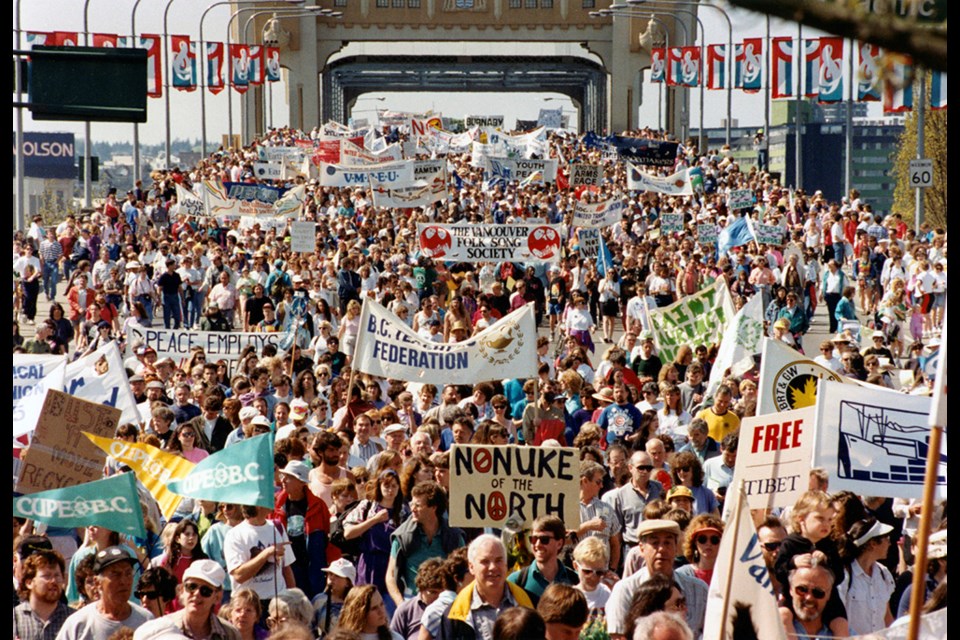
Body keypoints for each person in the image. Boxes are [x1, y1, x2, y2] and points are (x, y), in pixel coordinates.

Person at [605, 520, 707, 640]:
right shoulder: (625, 590)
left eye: (667, 543)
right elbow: (619, 637)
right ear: (642, 549)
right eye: (655, 543)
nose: (662, 549)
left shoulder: (699, 590)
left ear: (676, 548)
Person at [438, 535, 534, 640]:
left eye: (498, 560)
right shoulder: (454, 615)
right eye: (485, 561)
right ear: (471, 567)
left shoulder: (528, 604)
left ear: (506, 565)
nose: (493, 567)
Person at [386, 481, 465, 608]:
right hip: (412, 601)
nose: (412, 509)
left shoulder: (454, 537)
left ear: (433, 507)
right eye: (412, 504)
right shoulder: (403, 536)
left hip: (446, 604)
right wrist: (401, 605)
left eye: (418, 505)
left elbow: (465, 574)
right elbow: (390, 575)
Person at [55, 546, 154, 640]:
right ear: (97, 582)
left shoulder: (146, 620)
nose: (124, 581)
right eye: (115, 574)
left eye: (128, 573)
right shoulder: (78, 623)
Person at [133, 560, 240, 640]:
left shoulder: (230, 634)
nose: (197, 594)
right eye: (191, 587)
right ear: (181, 590)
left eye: (205, 590)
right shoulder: (162, 629)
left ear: (217, 597)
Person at [273, 460, 332, 600]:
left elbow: (325, 536)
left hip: (312, 570)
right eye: (283, 476)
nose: (283, 480)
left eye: (289, 477)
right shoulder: (275, 504)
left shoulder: (318, 506)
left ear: (301, 482)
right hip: (286, 569)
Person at [223, 505, 296, 608]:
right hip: (248, 606)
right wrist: (267, 553)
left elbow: (286, 567)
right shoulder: (234, 535)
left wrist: (294, 599)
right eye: (268, 497)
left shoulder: (277, 527)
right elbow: (239, 576)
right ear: (258, 506)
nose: (273, 501)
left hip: (277, 603)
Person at [837, 518, 895, 635]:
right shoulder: (845, 575)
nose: (890, 543)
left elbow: (887, 615)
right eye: (886, 539)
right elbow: (838, 620)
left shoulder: (884, 573)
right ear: (873, 544)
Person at [602, 450, 664, 557]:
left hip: (657, 546)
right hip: (633, 548)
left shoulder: (659, 489)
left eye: (649, 468)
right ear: (631, 468)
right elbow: (618, 532)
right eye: (641, 468)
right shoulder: (620, 495)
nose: (645, 471)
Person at [507, 515, 579, 604]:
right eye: (533, 539)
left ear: (559, 544)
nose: (537, 544)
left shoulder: (576, 580)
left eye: (544, 539)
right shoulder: (515, 581)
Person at [14, 548, 75, 640]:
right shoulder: (15, 618)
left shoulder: (74, 618)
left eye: (57, 576)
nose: (53, 581)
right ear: (29, 583)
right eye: (46, 576)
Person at [778, 553, 836, 640]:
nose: (809, 598)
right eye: (801, 589)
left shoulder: (845, 634)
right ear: (790, 589)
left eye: (818, 592)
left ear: (829, 594)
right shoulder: (773, 631)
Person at [335, 584, 403, 640]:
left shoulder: (395, 638)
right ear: (360, 613)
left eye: (381, 604)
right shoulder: (343, 638)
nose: (381, 611)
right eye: (374, 608)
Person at [675, 515, 724, 586]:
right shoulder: (681, 574)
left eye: (714, 539)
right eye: (702, 539)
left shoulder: (729, 575)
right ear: (694, 542)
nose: (708, 543)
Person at [314, 558, 356, 638]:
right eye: (330, 574)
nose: (331, 578)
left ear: (348, 582)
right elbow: (309, 627)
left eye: (337, 576)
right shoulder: (319, 600)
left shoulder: (355, 603)